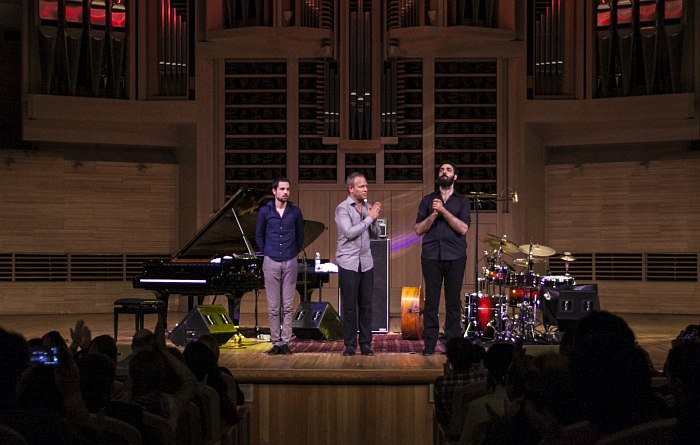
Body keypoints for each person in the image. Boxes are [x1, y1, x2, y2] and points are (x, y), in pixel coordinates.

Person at [414, 163, 471, 355]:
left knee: (453, 302)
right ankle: (429, 345)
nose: (444, 172)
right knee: (431, 301)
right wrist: (433, 214)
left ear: (455, 177)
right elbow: (418, 230)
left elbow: (463, 229)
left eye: (448, 170)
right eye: (441, 170)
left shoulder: (462, 201)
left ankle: (453, 344)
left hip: (456, 256)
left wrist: (444, 211)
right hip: (431, 256)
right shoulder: (428, 200)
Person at [255, 177, 305, 355]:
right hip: (271, 260)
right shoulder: (264, 211)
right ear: (274, 191)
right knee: (274, 306)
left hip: (290, 260)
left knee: (288, 305)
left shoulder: (295, 212)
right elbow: (259, 235)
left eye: (288, 189)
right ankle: (275, 342)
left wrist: (294, 251)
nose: (286, 192)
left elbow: (300, 235)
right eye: (282, 189)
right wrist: (266, 251)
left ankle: (285, 342)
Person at [335, 172, 381, 356]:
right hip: (348, 263)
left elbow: (376, 235)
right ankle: (350, 345)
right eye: (361, 186)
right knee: (349, 306)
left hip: (366, 263)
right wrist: (369, 218)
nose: (365, 189)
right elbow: (349, 232)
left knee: (366, 305)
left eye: (366, 186)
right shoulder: (342, 209)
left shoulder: (367, 207)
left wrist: (374, 220)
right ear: (351, 189)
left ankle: (366, 344)